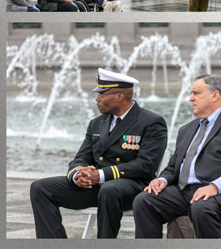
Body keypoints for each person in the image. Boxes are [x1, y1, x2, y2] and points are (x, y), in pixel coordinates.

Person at [30, 69, 168, 238]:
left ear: (119, 96)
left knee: (109, 190)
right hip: (96, 186)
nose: (97, 98)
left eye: (102, 94)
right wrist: (78, 174)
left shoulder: (151, 122)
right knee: (40, 188)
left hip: (133, 186)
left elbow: (146, 165)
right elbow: (81, 157)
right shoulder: (96, 123)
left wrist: (100, 175)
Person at [132, 75, 221, 239]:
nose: (190, 98)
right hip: (186, 191)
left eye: (196, 93)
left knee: (201, 207)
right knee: (144, 201)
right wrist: (162, 180)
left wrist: (215, 187)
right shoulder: (187, 129)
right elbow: (173, 166)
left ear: (215, 95)